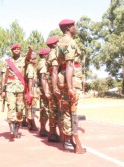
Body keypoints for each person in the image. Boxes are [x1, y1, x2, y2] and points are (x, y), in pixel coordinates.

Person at [57, 19, 86, 154]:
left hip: (63, 78)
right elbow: (69, 64)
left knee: (67, 112)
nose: (76, 27)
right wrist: (70, 87)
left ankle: (68, 142)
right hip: (71, 80)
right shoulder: (70, 42)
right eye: (74, 25)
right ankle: (72, 141)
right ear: (69, 27)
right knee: (72, 111)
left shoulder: (60, 43)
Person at [1, 44, 33, 140]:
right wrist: (2, 90)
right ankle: (11, 130)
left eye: (18, 49)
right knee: (11, 107)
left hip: (20, 88)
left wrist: (30, 51)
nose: (16, 50)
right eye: (15, 49)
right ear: (12, 50)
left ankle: (16, 130)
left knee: (20, 109)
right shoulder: (7, 62)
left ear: (20, 50)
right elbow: (4, 77)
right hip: (10, 88)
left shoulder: (24, 60)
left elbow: (28, 58)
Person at [45, 37, 61, 143]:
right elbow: (55, 71)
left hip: (51, 83)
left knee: (53, 108)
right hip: (54, 84)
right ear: (55, 45)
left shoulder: (49, 54)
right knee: (55, 109)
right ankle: (53, 132)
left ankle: (52, 132)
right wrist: (55, 88)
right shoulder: (54, 53)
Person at [37, 49, 50, 137]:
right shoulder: (43, 63)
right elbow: (43, 77)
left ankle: (43, 129)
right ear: (45, 55)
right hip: (45, 90)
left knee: (44, 109)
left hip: (44, 89)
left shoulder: (42, 62)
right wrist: (46, 92)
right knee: (45, 109)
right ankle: (42, 129)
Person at [25, 53, 39, 131]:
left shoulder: (31, 67)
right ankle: (32, 124)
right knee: (32, 107)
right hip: (32, 89)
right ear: (31, 60)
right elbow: (30, 80)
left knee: (31, 107)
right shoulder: (30, 67)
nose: (35, 60)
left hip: (33, 87)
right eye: (34, 59)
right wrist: (30, 92)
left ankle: (31, 123)